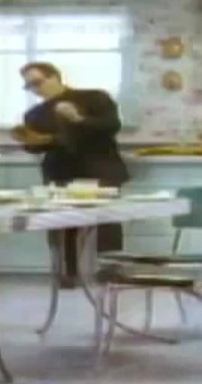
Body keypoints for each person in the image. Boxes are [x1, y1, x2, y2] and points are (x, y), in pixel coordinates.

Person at [13, 62, 130, 288]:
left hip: (100, 168)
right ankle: (66, 273)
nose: (35, 89)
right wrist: (31, 141)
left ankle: (111, 271)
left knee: (107, 220)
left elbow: (111, 126)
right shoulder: (34, 114)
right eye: (29, 86)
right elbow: (35, 147)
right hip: (60, 171)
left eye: (37, 82)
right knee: (61, 221)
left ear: (54, 77)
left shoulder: (95, 98)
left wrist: (78, 119)